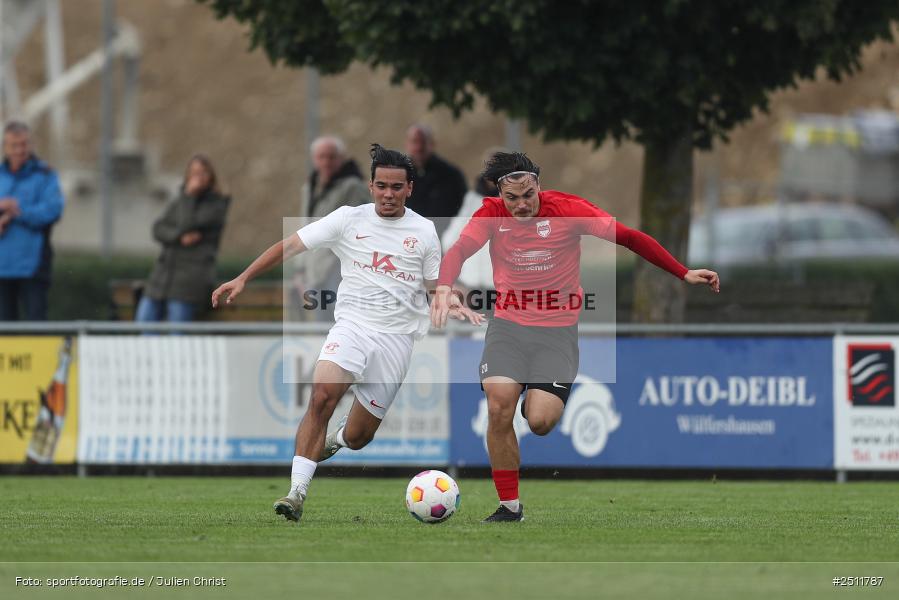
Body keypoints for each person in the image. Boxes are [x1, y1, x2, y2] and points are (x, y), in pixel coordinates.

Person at [431, 152, 719, 523]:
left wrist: (682, 272)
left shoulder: (568, 210)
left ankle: (532, 399)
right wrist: (444, 286)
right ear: (500, 194)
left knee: (540, 422)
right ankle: (510, 506)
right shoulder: (490, 213)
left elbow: (629, 238)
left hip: (557, 333)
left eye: (528, 195)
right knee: (499, 405)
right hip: (508, 327)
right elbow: (459, 250)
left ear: (538, 184)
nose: (521, 204)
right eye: (512, 198)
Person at [211, 144, 482, 523]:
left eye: (396, 187)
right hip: (353, 327)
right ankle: (296, 492)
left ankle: (336, 439)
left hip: (396, 340)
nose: (388, 194)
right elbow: (290, 245)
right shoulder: (347, 219)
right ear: (370, 186)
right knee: (322, 395)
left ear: (409, 189)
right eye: (381, 186)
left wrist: (450, 300)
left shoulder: (423, 231)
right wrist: (243, 277)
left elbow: (434, 284)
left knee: (358, 437)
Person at [135, 154, 230, 323]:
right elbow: (158, 229)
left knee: (177, 331)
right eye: (193, 173)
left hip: (189, 282)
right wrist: (179, 237)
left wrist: (190, 196)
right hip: (162, 278)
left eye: (202, 173)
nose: (197, 178)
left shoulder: (216, 205)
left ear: (211, 176)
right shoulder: (179, 201)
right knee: (144, 320)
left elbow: (188, 224)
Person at [293, 136, 371, 322]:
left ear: (341, 158)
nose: (326, 162)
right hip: (315, 267)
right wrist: (300, 268)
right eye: (322, 157)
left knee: (343, 319)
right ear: (314, 159)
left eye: (331, 157)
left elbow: (361, 227)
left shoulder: (352, 186)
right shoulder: (310, 187)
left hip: (341, 266)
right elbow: (305, 227)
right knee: (322, 321)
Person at [0, 121, 64, 321]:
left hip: (33, 266)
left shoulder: (45, 175)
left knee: (36, 327)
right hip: (2, 267)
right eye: (14, 145)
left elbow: (52, 211)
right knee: (4, 329)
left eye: (24, 144)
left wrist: (17, 210)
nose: (20, 150)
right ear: (5, 147)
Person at [404, 124, 467, 238]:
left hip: (443, 237)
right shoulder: (400, 175)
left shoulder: (451, 175)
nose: (419, 147)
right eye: (414, 142)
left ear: (432, 144)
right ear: (407, 144)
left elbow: (464, 209)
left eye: (423, 142)